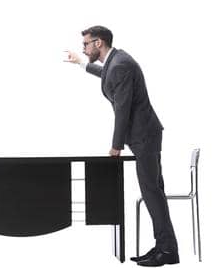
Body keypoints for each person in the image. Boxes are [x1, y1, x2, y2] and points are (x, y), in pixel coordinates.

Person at [64, 25, 175, 267]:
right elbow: (107, 76)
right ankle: (165, 248)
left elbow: (122, 110)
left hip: (144, 136)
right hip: (144, 135)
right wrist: (81, 63)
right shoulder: (116, 61)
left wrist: (116, 146)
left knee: (152, 193)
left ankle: (166, 251)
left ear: (99, 43)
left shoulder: (120, 64)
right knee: (153, 192)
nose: (84, 48)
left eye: (86, 44)